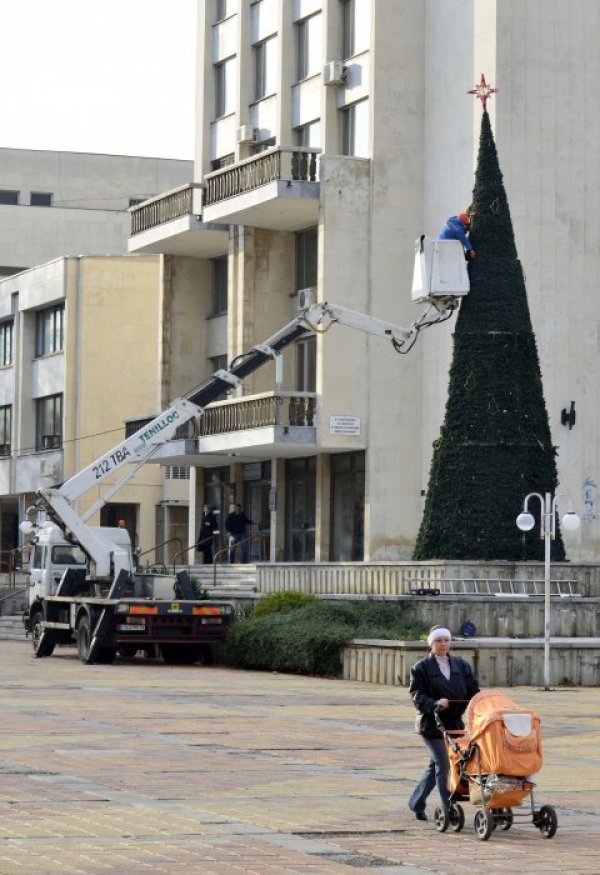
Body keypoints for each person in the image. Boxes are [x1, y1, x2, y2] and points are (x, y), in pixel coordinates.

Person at [408, 625, 479, 821]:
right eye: (438, 641)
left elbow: (473, 689)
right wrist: (434, 703)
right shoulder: (421, 668)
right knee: (444, 763)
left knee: (437, 766)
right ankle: (448, 807)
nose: (443, 644)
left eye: (446, 640)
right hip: (432, 724)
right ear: (431, 644)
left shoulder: (461, 665)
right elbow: (417, 695)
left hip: (454, 723)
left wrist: (481, 701)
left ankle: (416, 802)